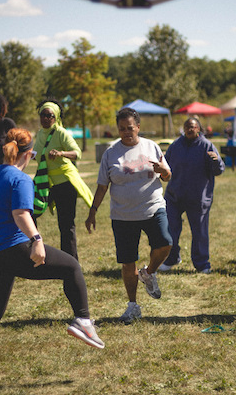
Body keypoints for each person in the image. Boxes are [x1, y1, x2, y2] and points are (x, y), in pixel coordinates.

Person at [0, 128, 104, 382]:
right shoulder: (21, 180)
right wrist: (37, 240)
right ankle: (83, 320)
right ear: (28, 154)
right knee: (71, 267)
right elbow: (21, 215)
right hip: (14, 249)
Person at [85, 108, 172, 324]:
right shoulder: (110, 153)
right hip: (122, 215)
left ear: (138, 127)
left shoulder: (151, 146)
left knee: (165, 243)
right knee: (127, 263)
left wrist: (163, 170)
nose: (126, 132)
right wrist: (92, 211)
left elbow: (167, 176)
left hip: (152, 207)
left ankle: (149, 273)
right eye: (122, 129)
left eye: (130, 128)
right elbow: (102, 186)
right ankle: (133, 306)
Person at [158, 117, 225, 273]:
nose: (190, 129)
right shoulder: (175, 146)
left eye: (193, 127)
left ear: (198, 129)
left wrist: (215, 162)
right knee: (169, 229)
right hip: (175, 196)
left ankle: (202, 264)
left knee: (199, 233)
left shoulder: (206, 146)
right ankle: (171, 258)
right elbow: (166, 167)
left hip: (198, 198)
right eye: (187, 127)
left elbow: (218, 171)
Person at [33, 99, 93, 260]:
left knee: (66, 225)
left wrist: (61, 154)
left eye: (49, 115)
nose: (45, 118)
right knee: (28, 213)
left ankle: (70, 261)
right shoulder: (39, 134)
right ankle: (32, 252)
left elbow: (77, 153)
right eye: (42, 115)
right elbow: (37, 154)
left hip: (65, 184)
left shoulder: (61, 133)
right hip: (45, 183)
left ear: (56, 117)